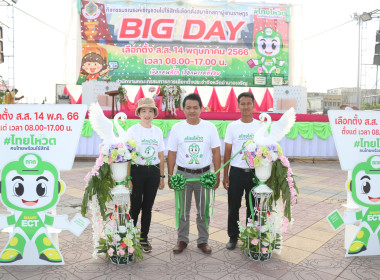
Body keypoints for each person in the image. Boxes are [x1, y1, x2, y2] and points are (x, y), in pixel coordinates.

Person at [167, 93, 221, 254]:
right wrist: (170, 175)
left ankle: (203, 240)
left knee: (203, 209)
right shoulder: (177, 128)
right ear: (183, 109)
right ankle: (182, 239)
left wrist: (217, 175)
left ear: (201, 109)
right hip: (183, 175)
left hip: (204, 176)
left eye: (195, 108)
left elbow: (216, 152)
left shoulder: (209, 127)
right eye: (188, 107)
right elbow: (171, 153)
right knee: (182, 209)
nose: (192, 111)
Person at [223, 92, 263, 250]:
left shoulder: (260, 126)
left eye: (249, 103)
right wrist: (225, 175)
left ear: (254, 105)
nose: (246, 107)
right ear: (238, 106)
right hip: (236, 172)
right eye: (242, 104)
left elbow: (266, 150)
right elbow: (227, 152)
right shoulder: (232, 126)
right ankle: (233, 237)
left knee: (253, 206)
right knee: (233, 206)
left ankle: (251, 236)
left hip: (255, 173)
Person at [126, 97, 165, 253]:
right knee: (135, 207)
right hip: (137, 171)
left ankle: (143, 239)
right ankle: (128, 237)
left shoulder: (158, 131)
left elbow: (161, 155)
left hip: (153, 172)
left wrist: (162, 177)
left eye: (150, 111)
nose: (147, 114)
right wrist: (128, 178)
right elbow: (127, 154)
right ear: (139, 113)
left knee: (147, 208)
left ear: (154, 113)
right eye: (144, 111)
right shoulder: (133, 130)